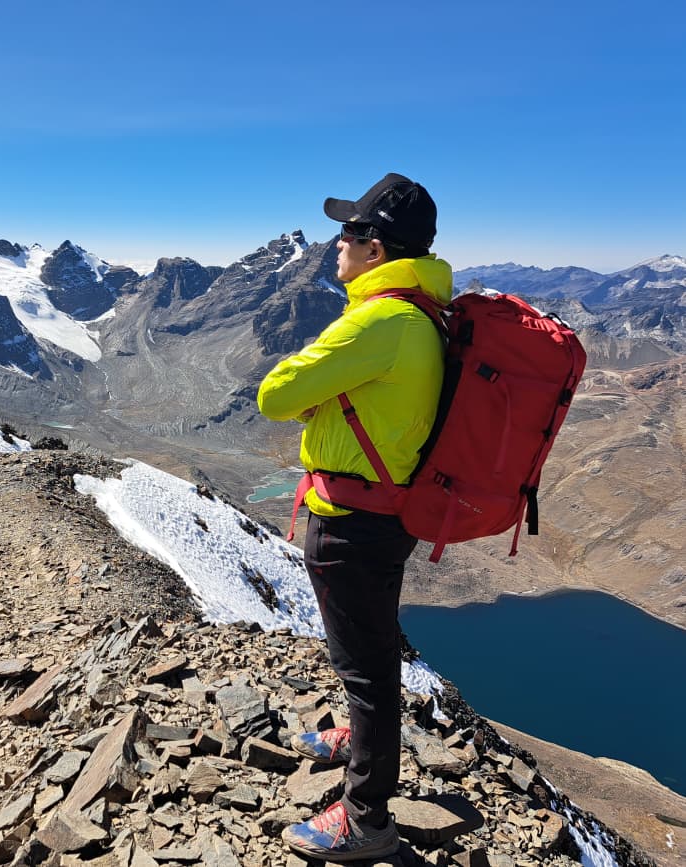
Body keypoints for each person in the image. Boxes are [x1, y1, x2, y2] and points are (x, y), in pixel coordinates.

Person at [257, 173, 453, 861]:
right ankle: (356, 737)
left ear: (378, 248)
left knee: (367, 665)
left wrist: (317, 380)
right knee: (366, 650)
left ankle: (367, 817)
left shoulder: (383, 320)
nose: (338, 242)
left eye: (351, 231)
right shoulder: (421, 314)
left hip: (351, 523)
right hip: (384, 513)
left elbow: (275, 395)